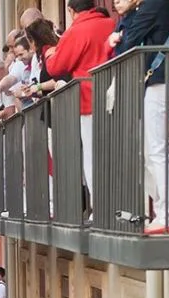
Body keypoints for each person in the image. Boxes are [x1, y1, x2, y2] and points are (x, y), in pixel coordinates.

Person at [109, 0, 169, 234]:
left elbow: (127, 45)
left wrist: (115, 40)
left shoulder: (151, 6)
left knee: (158, 151)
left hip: (161, 81)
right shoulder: (162, 6)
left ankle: (167, 215)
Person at [44, 0, 115, 212]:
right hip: (116, 94)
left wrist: (49, 53)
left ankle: (100, 209)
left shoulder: (76, 31)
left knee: (92, 157)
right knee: (118, 153)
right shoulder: (111, 23)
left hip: (88, 100)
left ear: (71, 10)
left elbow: (57, 66)